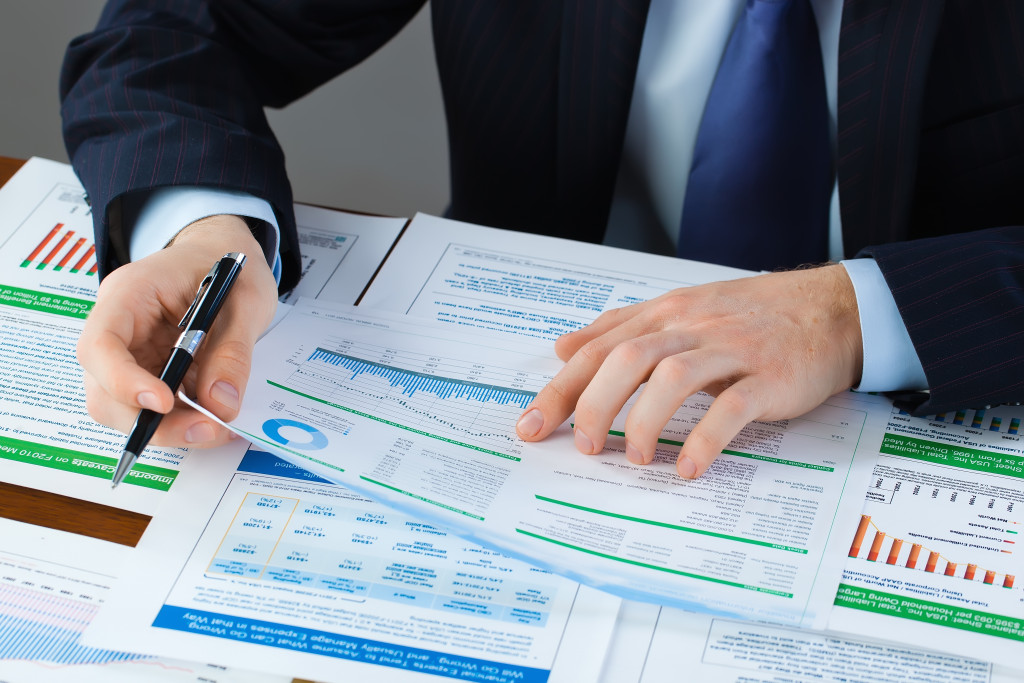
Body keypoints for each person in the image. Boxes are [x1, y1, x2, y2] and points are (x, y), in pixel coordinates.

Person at [60, 0, 1024, 479]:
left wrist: (852, 313)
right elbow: (178, 27)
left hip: (927, 429)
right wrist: (204, 230)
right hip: (532, 407)